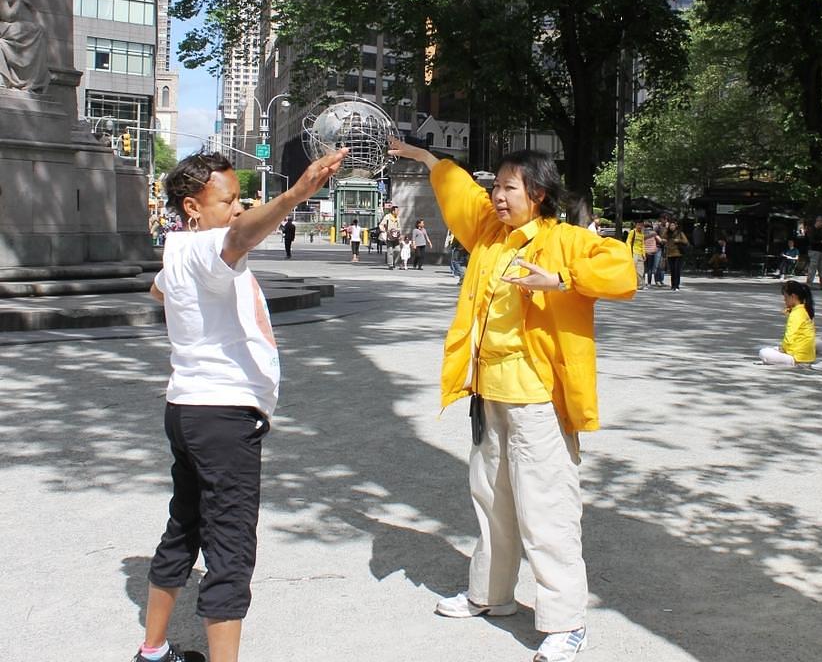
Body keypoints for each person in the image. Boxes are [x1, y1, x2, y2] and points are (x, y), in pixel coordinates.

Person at [388, 138, 636, 662]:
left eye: (508, 188)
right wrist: (422, 156)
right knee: (491, 502)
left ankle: (566, 623)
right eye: (495, 186)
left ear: (538, 194)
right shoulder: (489, 235)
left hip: (538, 402)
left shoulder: (565, 240)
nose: (497, 196)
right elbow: (459, 192)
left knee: (547, 510)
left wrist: (564, 280)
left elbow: (622, 271)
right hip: (490, 395)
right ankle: (490, 595)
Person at [136, 148, 348, 662]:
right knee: (230, 548)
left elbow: (157, 292)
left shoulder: (178, 249)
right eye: (228, 199)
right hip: (223, 417)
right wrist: (297, 195)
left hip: (185, 410)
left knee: (183, 527)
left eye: (239, 198)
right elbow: (237, 237)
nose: (237, 207)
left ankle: (153, 649)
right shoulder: (210, 246)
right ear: (192, 207)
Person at [758, 280, 816, 366]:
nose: (784, 300)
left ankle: (789, 361)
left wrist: (783, 349)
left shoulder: (796, 313)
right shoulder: (804, 309)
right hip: (808, 356)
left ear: (793, 296)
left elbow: (789, 336)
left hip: (797, 357)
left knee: (763, 352)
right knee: (774, 349)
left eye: (785, 297)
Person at [663, 220, 688, 291]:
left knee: (677, 270)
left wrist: (679, 240)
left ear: (676, 226)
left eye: (673, 225)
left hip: (678, 253)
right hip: (670, 254)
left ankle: (677, 285)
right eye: (670, 226)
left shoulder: (680, 233)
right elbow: (663, 238)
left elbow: (686, 241)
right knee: (672, 270)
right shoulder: (667, 233)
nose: (672, 227)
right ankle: (673, 285)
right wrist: (666, 229)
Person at [805, 215, 822, 289]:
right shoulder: (812, 230)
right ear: (818, 221)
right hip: (814, 251)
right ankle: (809, 284)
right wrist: (821, 241)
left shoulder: (820, 230)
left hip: (820, 251)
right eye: (821, 223)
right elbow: (811, 241)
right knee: (813, 268)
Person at [379, 205, 402, 269]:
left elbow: (399, 227)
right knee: (390, 251)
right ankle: (390, 265)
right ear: (393, 211)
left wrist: (399, 234)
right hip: (389, 236)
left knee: (398, 250)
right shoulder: (387, 217)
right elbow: (381, 225)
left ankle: (394, 262)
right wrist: (384, 230)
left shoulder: (397, 218)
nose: (398, 212)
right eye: (397, 210)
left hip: (396, 236)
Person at [624, 222, 646, 289]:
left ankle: (640, 285)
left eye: (641, 225)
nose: (640, 226)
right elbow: (628, 241)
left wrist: (644, 254)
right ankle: (633, 284)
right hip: (634, 253)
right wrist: (629, 251)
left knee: (641, 270)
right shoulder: (632, 232)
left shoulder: (642, 234)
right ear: (636, 225)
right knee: (634, 270)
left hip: (640, 253)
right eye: (638, 225)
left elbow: (642, 244)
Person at [642, 221, 661, 288]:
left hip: (644, 252)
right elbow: (660, 240)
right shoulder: (654, 233)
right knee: (650, 268)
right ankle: (649, 283)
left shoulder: (642, 233)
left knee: (644, 268)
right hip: (652, 252)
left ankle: (643, 282)